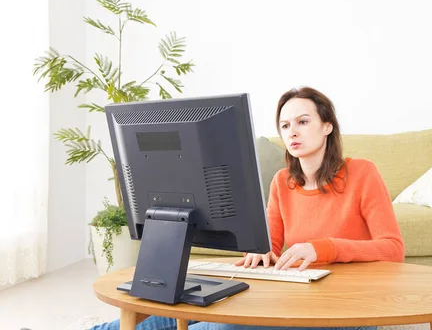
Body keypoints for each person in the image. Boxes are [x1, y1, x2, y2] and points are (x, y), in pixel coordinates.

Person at [89, 86, 404, 330]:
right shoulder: (282, 182)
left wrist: (322, 248)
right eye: (285, 125)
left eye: (303, 122)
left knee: (217, 326)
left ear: (327, 127)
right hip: (293, 296)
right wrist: (260, 252)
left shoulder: (362, 173)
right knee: (162, 317)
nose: (292, 131)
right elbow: (272, 246)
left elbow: (392, 249)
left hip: (344, 309)